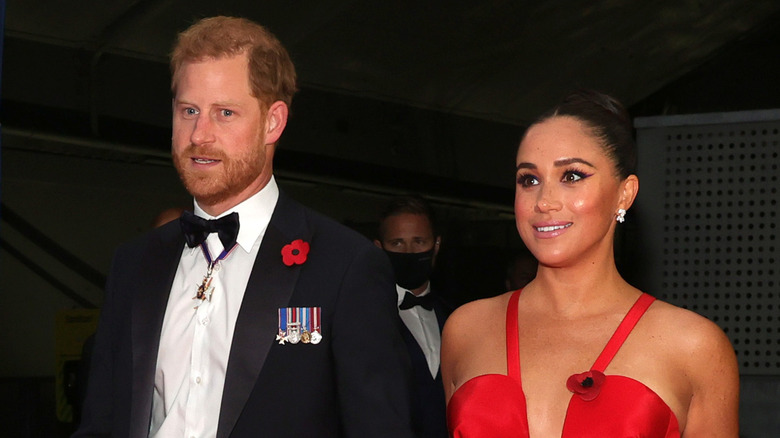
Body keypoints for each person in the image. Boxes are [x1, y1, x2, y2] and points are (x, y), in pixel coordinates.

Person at [74, 16, 414, 438]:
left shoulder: (345, 265)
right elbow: (101, 423)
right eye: (189, 111)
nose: (200, 135)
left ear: (273, 122)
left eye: (225, 113)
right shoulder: (134, 261)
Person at [441, 90, 739, 437]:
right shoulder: (466, 330)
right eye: (529, 179)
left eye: (572, 176)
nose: (544, 201)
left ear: (624, 193)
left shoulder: (693, 346)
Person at [374, 195, 450, 438]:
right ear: (379, 249)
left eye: (419, 241)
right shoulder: (363, 318)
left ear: (436, 245)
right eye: (397, 243)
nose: (409, 252)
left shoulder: (456, 317)